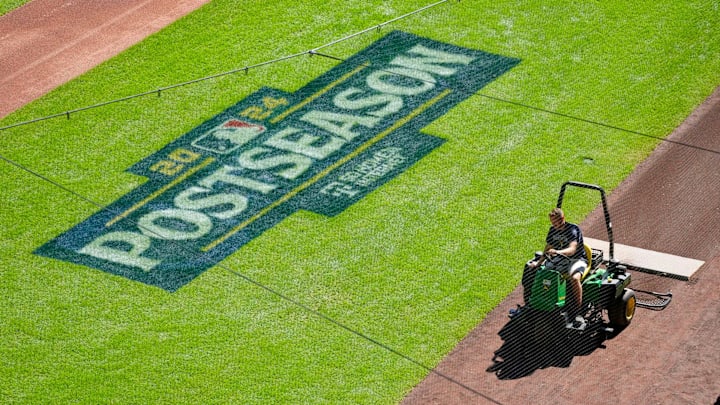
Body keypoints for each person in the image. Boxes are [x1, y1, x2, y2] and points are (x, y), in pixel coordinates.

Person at [516, 207, 588, 327]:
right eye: (553, 223)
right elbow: (548, 247)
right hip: (560, 259)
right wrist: (538, 263)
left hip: (577, 259)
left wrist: (558, 252)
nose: (555, 226)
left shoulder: (573, 230)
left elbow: (572, 249)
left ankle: (577, 312)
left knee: (574, 278)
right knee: (541, 273)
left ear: (562, 219)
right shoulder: (553, 230)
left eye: (556, 223)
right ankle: (534, 304)